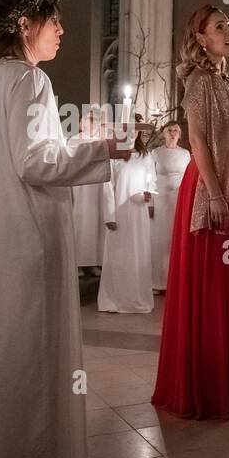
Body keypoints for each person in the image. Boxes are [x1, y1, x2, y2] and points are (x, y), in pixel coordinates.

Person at [0, 0, 130, 458]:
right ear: (24, 26)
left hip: (3, 231)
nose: (60, 30)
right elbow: (35, 163)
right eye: (53, 22)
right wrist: (104, 150)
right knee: (35, 356)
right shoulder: (31, 79)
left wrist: (79, 148)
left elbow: (26, 154)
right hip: (31, 233)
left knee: (11, 352)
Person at [152, 3, 229, 420]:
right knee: (208, 282)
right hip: (207, 187)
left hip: (224, 184)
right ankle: (203, 388)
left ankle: (221, 384)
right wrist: (213, 194)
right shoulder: (198, 80)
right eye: (219, 27)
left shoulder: (221, 80)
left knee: (222, 282)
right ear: (200, 38)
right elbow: (197, 140)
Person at [98, 120, 157, 314]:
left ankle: (136, 298)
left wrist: (148, 196)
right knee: (118, 254)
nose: (134, 134)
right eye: (130, 131)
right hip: (120, 213)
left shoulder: (146, 156)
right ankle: (114, 300)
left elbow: (152, 182)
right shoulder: (115, 157)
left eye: (137, 131)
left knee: (138, 254)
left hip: (139, 213)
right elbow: (107, 185)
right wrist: (110, 214)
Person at [150, 122, 190, 294]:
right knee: (160, 240)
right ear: (163, 133)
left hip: (178, 200)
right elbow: (149, 177)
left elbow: (189, 177)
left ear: (180, 134)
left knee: (176, 240)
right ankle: (158, 282)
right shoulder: (156, 153)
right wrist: (150, 202)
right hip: (160, 200)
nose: (173, 133)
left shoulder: (185, 153)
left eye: (176, 131)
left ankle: (176, 282)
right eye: (169, 131)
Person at [69, 107, 107, 276]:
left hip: (97, 187)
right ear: (80, 123)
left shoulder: (101, 140)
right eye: (87, 119)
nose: (90, 123)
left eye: (94, 120)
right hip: (79, 187)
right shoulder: (73, 140)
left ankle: (93, 261)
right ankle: (77, 264)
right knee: (80, 222)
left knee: (96, 223)